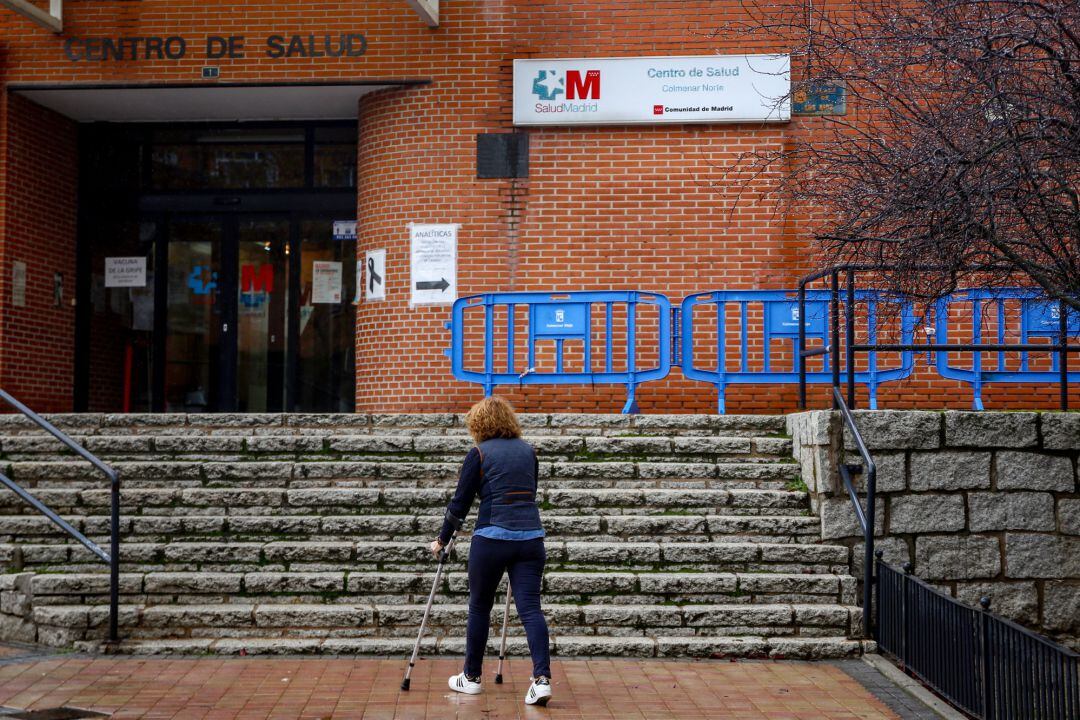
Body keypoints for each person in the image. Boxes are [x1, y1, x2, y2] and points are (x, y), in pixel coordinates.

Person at [430, 396, 552, 707]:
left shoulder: (479, 454)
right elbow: (530, 491)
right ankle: (541, 680)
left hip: (491, 538)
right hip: (531, 539)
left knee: (480, 606)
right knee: (531, 609)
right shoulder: (529, 452)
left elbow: (460, 503)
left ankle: (471, 677)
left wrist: (442, 539)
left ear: (478, 424)